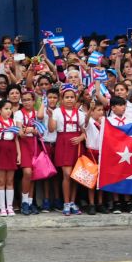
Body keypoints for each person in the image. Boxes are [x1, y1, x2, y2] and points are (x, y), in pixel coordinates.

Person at [48, 85, 86, 216]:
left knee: (75, 175)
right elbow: (52, 129)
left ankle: (72, 202)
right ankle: (66, 202)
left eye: (72, 97)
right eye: (67, 97)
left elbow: (85, 132)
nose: (69, 99)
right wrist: (51, 116)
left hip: (76, 143)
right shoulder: (57, 112)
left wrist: (80, 137)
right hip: (63, 142)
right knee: (66, 174)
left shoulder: (80, 114)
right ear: (62, 99)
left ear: (75, 99)